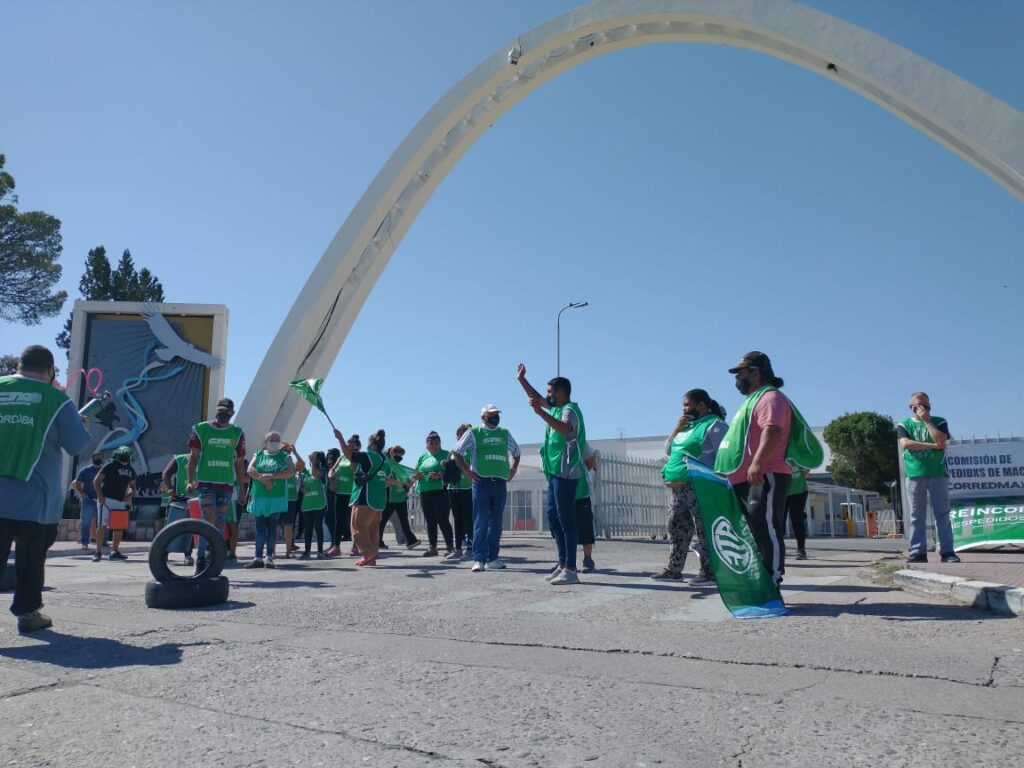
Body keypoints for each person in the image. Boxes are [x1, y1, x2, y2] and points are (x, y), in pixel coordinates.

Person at [0, 345, 91, 632]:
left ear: (18, 365)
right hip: (36, 500)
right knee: (31, 558)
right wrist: (81, 424)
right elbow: (76, 444)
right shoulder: (56, 399)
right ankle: (28, 614)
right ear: (50, 370)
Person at [714, 351, 820, 586]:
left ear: (755, 373)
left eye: (740, 373)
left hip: (764, 475)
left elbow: (772, 430)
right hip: (746, 478)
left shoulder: (770, 398)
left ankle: (772, 582)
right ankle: (757, 582)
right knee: (752, 532)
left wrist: (758, 463)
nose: (736, 379)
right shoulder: (752, 400)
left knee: (767, 529)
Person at [516, 363, 585, 585]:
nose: (547, 396)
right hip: (554, 473)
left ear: (560, 393)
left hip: (567, 473)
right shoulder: (555, 408)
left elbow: (565, 429)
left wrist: (539, 413)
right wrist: (522, 380)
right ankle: (562, 563)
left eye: (550, 392)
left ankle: (571, 569)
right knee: (553, 517)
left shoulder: (569, 410)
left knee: (566, 520)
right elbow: (537, 398)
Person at [652, 389, 728, 584]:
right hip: (678, 490)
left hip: (701, 488)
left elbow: (725, 456)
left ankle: (709, 572)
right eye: (683, 406)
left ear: (701, 405)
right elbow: (669, 449)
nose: (684, 409)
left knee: (704, 530)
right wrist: (677, 429)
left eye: (687, 405)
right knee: (676, 527)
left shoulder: (715, 425)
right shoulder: (686, 427)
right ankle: (674, 570)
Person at [452, 406, 521, 572]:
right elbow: (457, 451)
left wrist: (513, 469)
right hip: (481, 482)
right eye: (492, 415)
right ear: (483, 417)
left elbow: (517, 452)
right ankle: (479, 558)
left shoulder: (504, 433)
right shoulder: (474, 432)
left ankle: (493, 558)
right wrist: (467, 471)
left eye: (497, 415)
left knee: (496, 523)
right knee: (481, 521)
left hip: (500, 482)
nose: (495, 417)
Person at [186, 397, 247, 574]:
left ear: (232, 413)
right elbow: (193, 457)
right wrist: (190, 480)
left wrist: (242, 490)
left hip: (226, 484)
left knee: (219, 524)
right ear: (216, 410)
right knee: (208, 520)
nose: (223, 414)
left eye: (227, 412)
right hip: (206, 482)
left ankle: (214, 557)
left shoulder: (237, 432)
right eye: (220, 411)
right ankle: (201, 558)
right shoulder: (202, 429)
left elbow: (239, 463)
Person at [898, 391, 959, 564]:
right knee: (917, 514)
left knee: (942, 514)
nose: (923, 408)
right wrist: (933, 445)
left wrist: (927, 421)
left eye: (925, 405)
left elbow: (941, 440)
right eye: (918, 405)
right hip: (914, 474)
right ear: (911, 407)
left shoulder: (940, 421)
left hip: (938, 473)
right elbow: (906, 444)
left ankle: (947, 552)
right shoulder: (905, 424)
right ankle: (918, 552)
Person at [335, 427, 393, 566]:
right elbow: (387, 480)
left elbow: (349, 454)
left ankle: (369, 553)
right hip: (379, 500)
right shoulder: (384, 461)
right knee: (372, 529)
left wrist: (340, 438)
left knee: (357, 527)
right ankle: (371, 557)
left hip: (365, 497)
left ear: (371, 444)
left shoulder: (368, 456)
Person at [245, 432, 294, 568]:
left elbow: (290, 471)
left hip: (276, 497)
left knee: (272, 528)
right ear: (266, 441)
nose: (274, 442)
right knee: (260, 528)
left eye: (277, 440)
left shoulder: (285, 456)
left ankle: (269, 557)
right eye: (272, 439)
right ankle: (257, 557)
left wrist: (271, 476)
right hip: (259, 496)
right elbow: (250, 469)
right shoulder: (259, 454)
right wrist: (263, 479)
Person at [413, 431, 455, 558]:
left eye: (436, 443)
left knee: (442, 519)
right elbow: (415, 473)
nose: (434, 445)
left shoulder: (446, 454)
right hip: (424, 490)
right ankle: (432, 547)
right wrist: (416, 475)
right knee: (430, 520)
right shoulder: (422, 457)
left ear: (440, 443)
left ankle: (450, 546)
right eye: (431, 443)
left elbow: (453, 473)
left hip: (440, 490)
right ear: (427, 444)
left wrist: (440, 475)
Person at [93, 446, 137, 562]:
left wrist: (129, 496)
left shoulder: (130, 469)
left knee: (118, 527)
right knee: (102, 525)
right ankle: (98, 552)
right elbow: (97, 480)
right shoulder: (110, 465)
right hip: (106, 499)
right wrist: (100, 496)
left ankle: (114, 551)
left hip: (120, 501)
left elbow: (133, 487)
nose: (124, 458)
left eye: (126, 456)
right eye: (122, 455)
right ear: (117, 456)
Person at [380, 445, 419, 550]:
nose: (399, 456)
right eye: (397, 453)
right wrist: (404, 483)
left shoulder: (399, 468)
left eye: (401, 455)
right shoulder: (387, 463)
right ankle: (378, 541)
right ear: (391, 452)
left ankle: (410, 541)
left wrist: (410, 481)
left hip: (401, 497)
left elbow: (407, 480)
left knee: (404, 520)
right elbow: (388, 480)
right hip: (390, 497)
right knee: (383, 520)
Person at [160, 451, 195, 566]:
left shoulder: (204, 459)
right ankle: (164, 552)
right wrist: (170, 488)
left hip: (197, 500)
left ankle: (188, 554)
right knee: (171, 527)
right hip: (179, 498)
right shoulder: (180, 459)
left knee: (192, 528)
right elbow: (166, 474)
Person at [446, 424, 475, 559]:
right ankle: (457, 548)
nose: (461, 435)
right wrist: (445, 464)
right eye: (459, 433)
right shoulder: (454, 449)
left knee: (468, 518)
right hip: (453, 487)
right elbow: (447, 463)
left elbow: (474, 466)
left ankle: (470, 548)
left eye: (464, 432)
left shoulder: (472, 449)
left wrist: (461, 464)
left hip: (467, 486)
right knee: (457, 518)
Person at [326, 441, 356, 557]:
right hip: (339, 493)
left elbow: (357, 473)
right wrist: (331, 476)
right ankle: (336, 547)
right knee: (338, 521)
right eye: (348, 446)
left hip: (352, 494)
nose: (350, 448)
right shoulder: (341, 457)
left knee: (353, 522)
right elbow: (332, 469)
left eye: (353, 446)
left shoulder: (357, 458)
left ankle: (356, 546)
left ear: (357, 447)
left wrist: (353, 466)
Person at [294, 455, 327, 559]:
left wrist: (313, 463)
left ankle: (320, 552)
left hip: (319, 504)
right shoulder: (304, 473)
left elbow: (316, 475)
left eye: (314, 457)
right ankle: (307, 551)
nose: (311, 459)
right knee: (308, 529)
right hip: (307, 505)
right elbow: (299, 485)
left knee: (318, 527)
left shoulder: (322, 470)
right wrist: (302, 488)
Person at [72, 451, 105, 550]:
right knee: (86, 522)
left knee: (103, 522)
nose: (98, 458)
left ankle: (103, 542)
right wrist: (83, 494)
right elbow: (77, 484)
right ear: (93, 458)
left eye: (100, 457)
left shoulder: (105, 470)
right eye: (96, 457)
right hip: (88, 500)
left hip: (101, 500)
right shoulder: (85, 470)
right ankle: (85, 542)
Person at [575, 446, 598, 573]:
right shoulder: (553, 441)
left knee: (585, 526)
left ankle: (588, 558)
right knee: (564, 528)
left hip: (581, 491)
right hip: (564, 493)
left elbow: (590, 462)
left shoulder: (581, 442)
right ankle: (565, 561)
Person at [784, 461, 809, 561]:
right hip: (781, 491)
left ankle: (801, 549)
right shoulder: (777, 454)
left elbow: (807, 470)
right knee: (779, 521)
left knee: (797, 520)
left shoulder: (798, 455)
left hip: (799, 491)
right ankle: (779, 549)